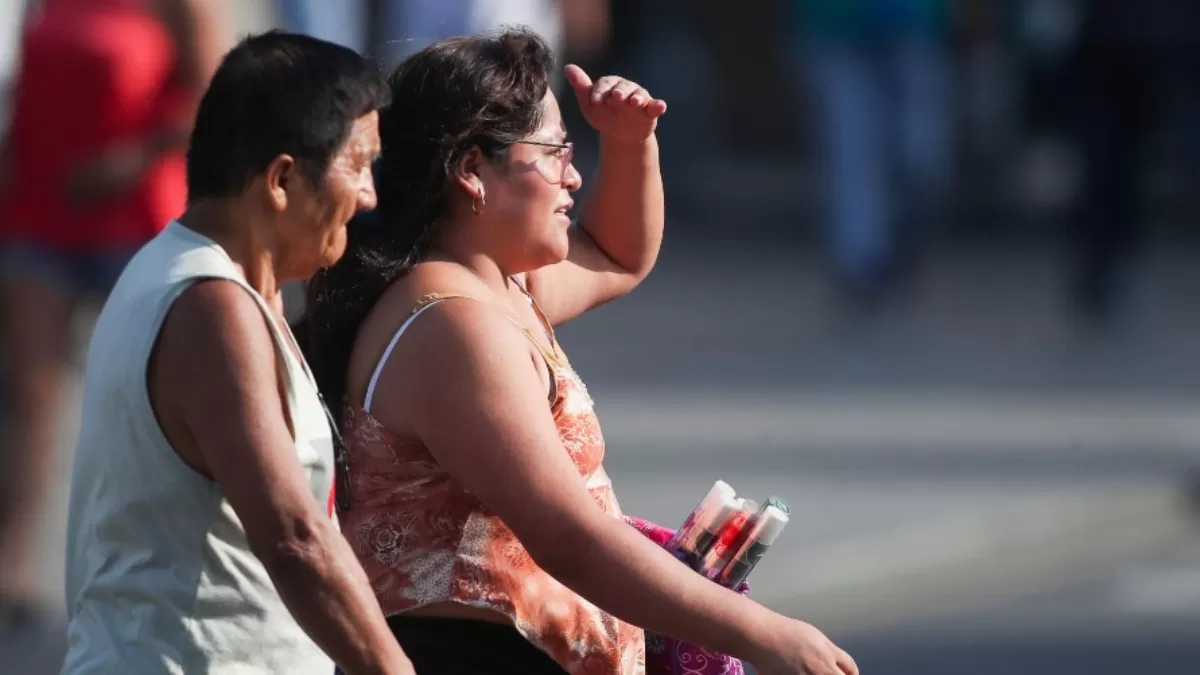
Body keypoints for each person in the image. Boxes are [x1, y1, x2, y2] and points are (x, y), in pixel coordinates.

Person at [301, 29, 858, 675]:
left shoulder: (493, 284)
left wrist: (629, 141)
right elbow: (568, 537)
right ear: (472, 171)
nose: (573, 173)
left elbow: (618, 256)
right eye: (555, 151)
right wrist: (762, 633)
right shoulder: (451, 328)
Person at [60, 31, 414, 675]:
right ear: (281, 180)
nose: (369, 196)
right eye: (358, 166)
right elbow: (295, 538)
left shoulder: (209, 284)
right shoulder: (210, 307)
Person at [0, 0, 225, 622]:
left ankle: (157, 563)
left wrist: (128, 160)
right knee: (30, 397)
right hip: (40, 211)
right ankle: (15, 564)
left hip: (135, 214)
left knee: (144, 396)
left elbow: (210, 99)